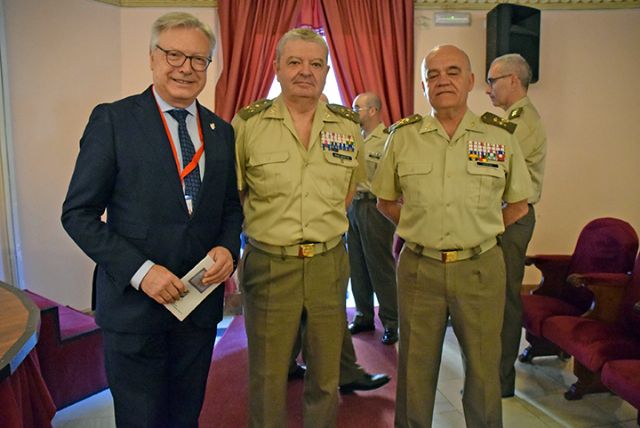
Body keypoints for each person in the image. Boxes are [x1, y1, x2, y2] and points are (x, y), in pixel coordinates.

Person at [61, 12, 243, 427]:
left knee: (185, 415)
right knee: (140, 419)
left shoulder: (220, 130)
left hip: (197, 308)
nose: (186, 67)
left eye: (199, 59)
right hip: (134, 307)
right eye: (174, 54)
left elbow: (230, 208)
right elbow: (78, 214)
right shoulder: (113, 120)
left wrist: (227, 248)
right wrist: (142, 273)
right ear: (152, 57)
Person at [372, 45, 533, 427]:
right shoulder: (403, 137)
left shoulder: (500, 138)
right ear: (423, 85)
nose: (442, 80)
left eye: (453, 71)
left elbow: (518, 205)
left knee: (482, 370)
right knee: (415, 370)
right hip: (418, 270)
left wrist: (476, 231)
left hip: (480, 269)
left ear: (472, 81)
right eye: (433, 74)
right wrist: (421, 229)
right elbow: (385, 201)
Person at [234, 28, 368, 427]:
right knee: (268, 375)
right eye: (294, 62)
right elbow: (238, 194)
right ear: (276, 68)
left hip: (328, 264)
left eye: (315, 64)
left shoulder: (347, 128)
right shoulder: (248, 125)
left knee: (326, 374)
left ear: (327, 70)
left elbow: (346, 192)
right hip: (271, 264)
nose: (304, 72)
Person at [486, 53, 547, 398]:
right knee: (496, 296)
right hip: (504, 215)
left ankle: (500, 380)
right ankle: (494, 374)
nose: (488, 89)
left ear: (512, 80)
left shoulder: (521, 121)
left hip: (513, 216)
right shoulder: (510, 119)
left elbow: (499, 171)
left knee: (504, 298)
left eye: (493, 81)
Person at [347, 92, 398, 345]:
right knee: (356, 265)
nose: (353, 111)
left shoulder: (388, 140)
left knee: (380, 266)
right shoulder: (355, 137)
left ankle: (391, 320)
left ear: (373, 110)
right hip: (353, 206)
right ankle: (363, 315)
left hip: (375, 207)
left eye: (358, 107)